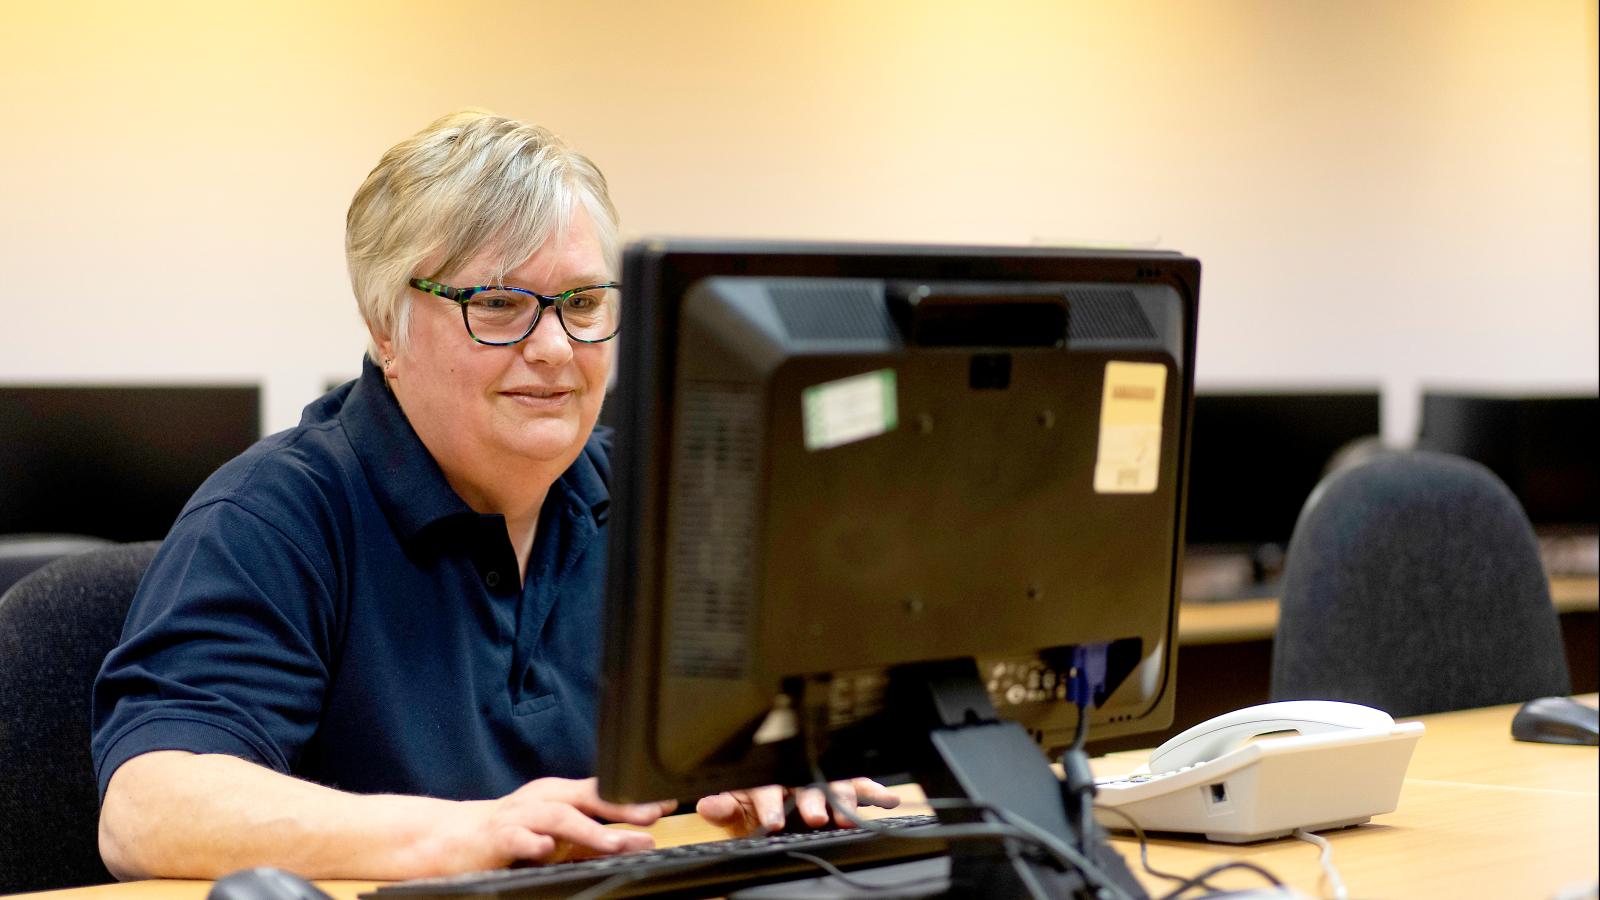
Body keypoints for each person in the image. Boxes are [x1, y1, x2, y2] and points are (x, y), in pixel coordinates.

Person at [90, 110, 894, 881]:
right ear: (384, 326)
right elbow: (148, 809)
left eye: (581, 304)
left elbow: (763, 729)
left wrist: (781, 774)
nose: (554, 348)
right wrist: (464, 831)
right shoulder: (277, 515)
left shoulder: (665, 504)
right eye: (500, 306)